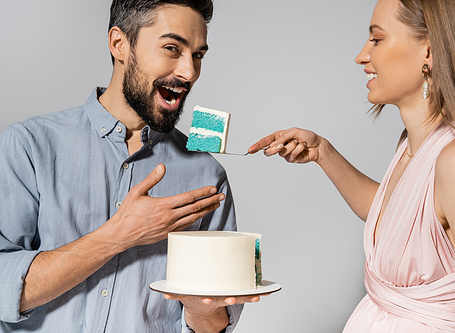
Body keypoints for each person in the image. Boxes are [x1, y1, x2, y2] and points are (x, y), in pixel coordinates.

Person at [0, 0, 262, 332]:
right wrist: (118, 235)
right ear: (119, 44)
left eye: (198, 55)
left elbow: (217, 325)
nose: (189, 72)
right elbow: (3, 288)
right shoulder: (29, 144)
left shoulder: (207, 174)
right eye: (172, 48)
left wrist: (200, 309)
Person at [249, 0, 455, 331]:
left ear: (430, 51)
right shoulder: (412, 144)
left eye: (377, 39)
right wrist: (324, 152)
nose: (362, 56)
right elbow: (400, 220)